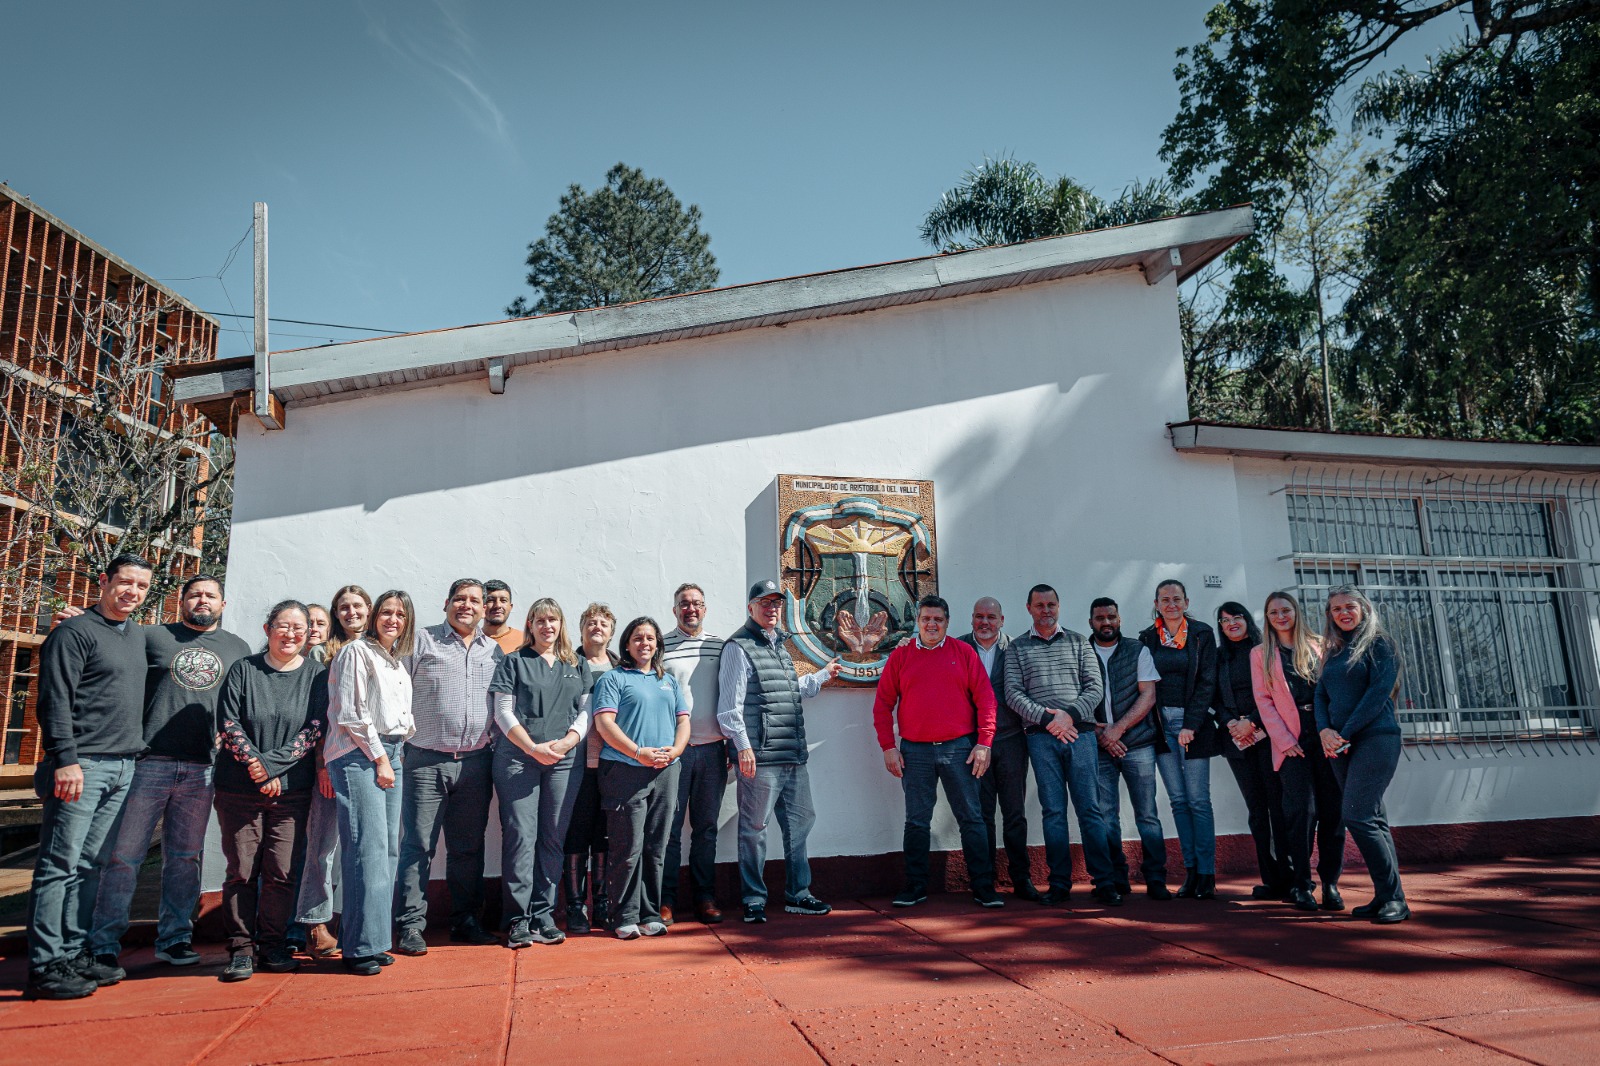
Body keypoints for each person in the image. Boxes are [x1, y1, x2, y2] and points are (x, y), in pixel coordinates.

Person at [88, 574, 252, 971]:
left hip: (203, 768)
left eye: (210, 595)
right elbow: (107, 647)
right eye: (194, 594)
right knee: (124, 856)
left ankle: (175, 938)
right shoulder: (149, 636)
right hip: (148, 762)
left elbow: (241, 703)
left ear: (223, 604)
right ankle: (104, 943)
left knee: (185, 857)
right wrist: (80, 619)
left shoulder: (237, 648)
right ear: (181, 601)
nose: (202, 600)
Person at [25, 553, 153, 1000]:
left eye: (141, 586)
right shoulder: (73, 632)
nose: (132, 592)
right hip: (81, 766)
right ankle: (45, 965)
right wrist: (64, 758)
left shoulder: (136, 635)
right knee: (58, 865)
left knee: (90, 865)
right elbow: (53, 699)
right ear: (104, 581)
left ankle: (74, 952)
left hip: (122, 766)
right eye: (125, 582)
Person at [213, 600, 328, 981]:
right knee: (242, 871)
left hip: (292, 791)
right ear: (268, 630)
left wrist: (272, 766)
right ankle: (241, 950)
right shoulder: (244, 669)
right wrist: (258, 768)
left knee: (281, 872)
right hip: (239, 789)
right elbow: (229, 723)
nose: (291, 634)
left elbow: (314, 729)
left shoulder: (316, 675)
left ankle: (273, 945)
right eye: (283, 626)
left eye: (299, 628)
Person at [717, 580, 841, 924]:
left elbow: (786, 690)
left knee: (800, 824)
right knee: (754, 829)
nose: (772, 608)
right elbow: (729, 708)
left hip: (792, 754)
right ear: (751, 607)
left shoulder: (780, 646)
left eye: (776, 603)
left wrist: (820, 677)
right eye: (765, 602)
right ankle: (753, 899)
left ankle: (798, 894)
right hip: (760, 757)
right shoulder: (738, 647)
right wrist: (743, 747)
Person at [393, 579, 503, 956]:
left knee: (467, 848)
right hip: (425, 760)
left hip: (475, 762)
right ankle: (411, 925)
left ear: (484, 609)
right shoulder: (421, 641)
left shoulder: (493, 650)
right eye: (459, 599)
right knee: (418, 845)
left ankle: (466, 921)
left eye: (474, 600)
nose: (466, 606)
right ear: (446, 603)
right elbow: (397, 692)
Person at [874, 595, 1000, 908]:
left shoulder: (964, 653)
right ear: (918, 622)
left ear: (947, 622)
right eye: (926, 619)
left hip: (959, 749)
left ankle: (983, 887)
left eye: (938, 620)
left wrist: (984, 743)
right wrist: (888, 747)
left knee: (972, 818)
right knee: (917, 821)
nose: (932, 624)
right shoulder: (901, 656)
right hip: (914, 752)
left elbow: (986, 700)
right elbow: (883, 704)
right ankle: (915, 886)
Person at [1004, 584, 1117, 906]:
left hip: (1081, 736)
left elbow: (1094, 688)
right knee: (1053, 812)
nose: (1046, 610)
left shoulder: (1079, 642)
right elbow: (1013, 693)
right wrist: (1048, 720)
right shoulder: (1017, 648)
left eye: (1051, 604)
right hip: (1041, 739)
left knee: (1090, 809)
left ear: (1059, 606)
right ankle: (1059, 884)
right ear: (1029, 608)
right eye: (1039, 605)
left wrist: (1068, 716)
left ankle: (1104, 882)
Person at [490, 598, 591, 947]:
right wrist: (533, 748)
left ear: (561, 624)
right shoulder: (513, 661)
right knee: (521, 836)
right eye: (541, 620)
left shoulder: (575, 663)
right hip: (519, 760)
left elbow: (586, 711)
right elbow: (502, 712)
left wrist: (568, 742)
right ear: (530, 624)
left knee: (552, 837)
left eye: (553, 620)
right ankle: (517, 919)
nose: (548, 626)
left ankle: (543, 916)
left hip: (564, 761)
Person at [325, 589, 416, 974]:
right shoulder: (355, 652)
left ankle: (372, 940)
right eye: (387, 612)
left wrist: (395, 753)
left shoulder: (395, 662)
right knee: (366, 848)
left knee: (387, 850)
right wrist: (380, 759)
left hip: (390, 752)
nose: (393, 619)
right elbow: (351, 714)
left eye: (400, 614)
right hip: (359, 753)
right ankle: (358, 947)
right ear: (375, 615)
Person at [593, 617, 690, 940]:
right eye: (637, 638)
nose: (644, 643)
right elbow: (605, 724)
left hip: (666, 771)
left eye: (650, 638)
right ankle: (623, 915)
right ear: (627, 644)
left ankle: (649, 914)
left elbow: (683, 721)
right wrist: (638, 753)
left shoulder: (668, 680)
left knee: (655, 845)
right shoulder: (614, 678)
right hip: (624, 770)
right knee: (627, 846)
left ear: (657, 644)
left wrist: (676, 751)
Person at [1316, 586, 1409, 924]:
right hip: (1341, 744)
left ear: (1364, 608)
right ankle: (1387, 895)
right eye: (1336, 608)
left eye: (1349, 606)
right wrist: (1324, 731)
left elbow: (1377, 695)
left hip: (1375, 738)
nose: (1343, 613)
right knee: (1373, 818)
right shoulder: (1333, 651)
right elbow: (1321, 695)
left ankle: (1395, 899)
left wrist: (1343, 732)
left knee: (1357, 816)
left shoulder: (1380, 645)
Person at [290, 584, 369, 959]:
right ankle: (315, 923)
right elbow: (323, 715)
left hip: (371, 762)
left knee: (358, 848)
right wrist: (322, 764)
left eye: (358, 606)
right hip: (333, 760)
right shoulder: (325, 653)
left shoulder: (379, 650)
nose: (351, 612)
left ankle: (352, 922)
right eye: (344, 607)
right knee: (322, 847)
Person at [1253, 590, 1344, 913]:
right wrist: (1283, 740)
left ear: (1296, 612)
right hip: (1291, 742)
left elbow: (1334, 691)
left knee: (1333, 813)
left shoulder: (1321, 645)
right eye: (1273, 612)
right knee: (1300, 813)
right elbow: (1263, 701)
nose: (1280, 616)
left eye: (1286, 610)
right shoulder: (1261, 654)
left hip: (1325, 736)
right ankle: (1301, 884)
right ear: (1267, 618)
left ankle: (1330, 883)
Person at [1139, 580, 1219, 900]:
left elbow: (1207, 682)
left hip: (1192, 726)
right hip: (1161, 727)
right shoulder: (1147, 638)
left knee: (1198, 800)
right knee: (1178, 801)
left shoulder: (1201, 634)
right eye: (1165, 599)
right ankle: (1191, 871)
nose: (1171, 604)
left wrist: (1191, 724)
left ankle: (1207, 874)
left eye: (1176, 599)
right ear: (1156, 604)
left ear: (1186, 602)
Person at [1087, 597, 1170, 900]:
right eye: (1100, 618)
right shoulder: (1082, 652)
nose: (1106, 622)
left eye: (1111, 617)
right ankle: (1115, 878)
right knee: (1105, 816)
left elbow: (1148, 695)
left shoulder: (1138, 650)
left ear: (1119, 619)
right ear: (1091, 622)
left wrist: (1118, 729)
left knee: (1147, 814)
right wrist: (1100, 733)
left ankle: (1156, 879)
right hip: (1098, 747)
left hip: (1138, 744)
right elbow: (1074, 696)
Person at [1213, 602, 1293, 903]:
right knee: (1257, 811)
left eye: (1237, 617)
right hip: (1237, 740)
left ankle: (1291, 876)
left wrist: (1253, 722)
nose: (1231, 623)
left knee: (1278, 807)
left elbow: (1276, 693)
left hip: (1268, 736)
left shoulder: (1264, 651)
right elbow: (1213, 697)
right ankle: (1270, 880)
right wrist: (1231, 722)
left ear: (1247, 620)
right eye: (1225, 621)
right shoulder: (1219, 657)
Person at [960, 597, 1039, 900]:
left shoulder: (1017, 649)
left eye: (991, 617)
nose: (985, 622)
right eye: (979, 616)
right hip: (973, 742)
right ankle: (985, 879)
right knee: (981, 814)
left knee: (1014, 812)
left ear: (1002, 620)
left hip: (1011, 740)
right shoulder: (959, 648)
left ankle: (1021, 878)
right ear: (972, 619)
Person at [659, 583, 728, 925]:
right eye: (684, 604)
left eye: (697, 603)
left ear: (705, 608)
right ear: (675, 610)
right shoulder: (661, 647)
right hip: (676, 752)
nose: (691, 609)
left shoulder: (721, 646)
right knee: (669, 830)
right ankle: (665, 900)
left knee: (706, 829)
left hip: (713, 750)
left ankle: (705, 897)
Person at [563, 603, 617, 934]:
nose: (597, 627)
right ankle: (575, 906)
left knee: (604, 835)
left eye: (603, 623)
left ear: (612, 632)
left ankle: (602, 903)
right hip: (575, 764)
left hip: (611, 765)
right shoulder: (567, 663)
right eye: (591, 622)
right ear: (581, 628)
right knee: (576, 833)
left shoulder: (621, 666)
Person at [482, 580, 522, 655]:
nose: (498, 605)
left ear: (510, 607)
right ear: (481, 606)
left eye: (503, 600)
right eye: (491, 600)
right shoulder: (471, 640)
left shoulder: (525, 641)